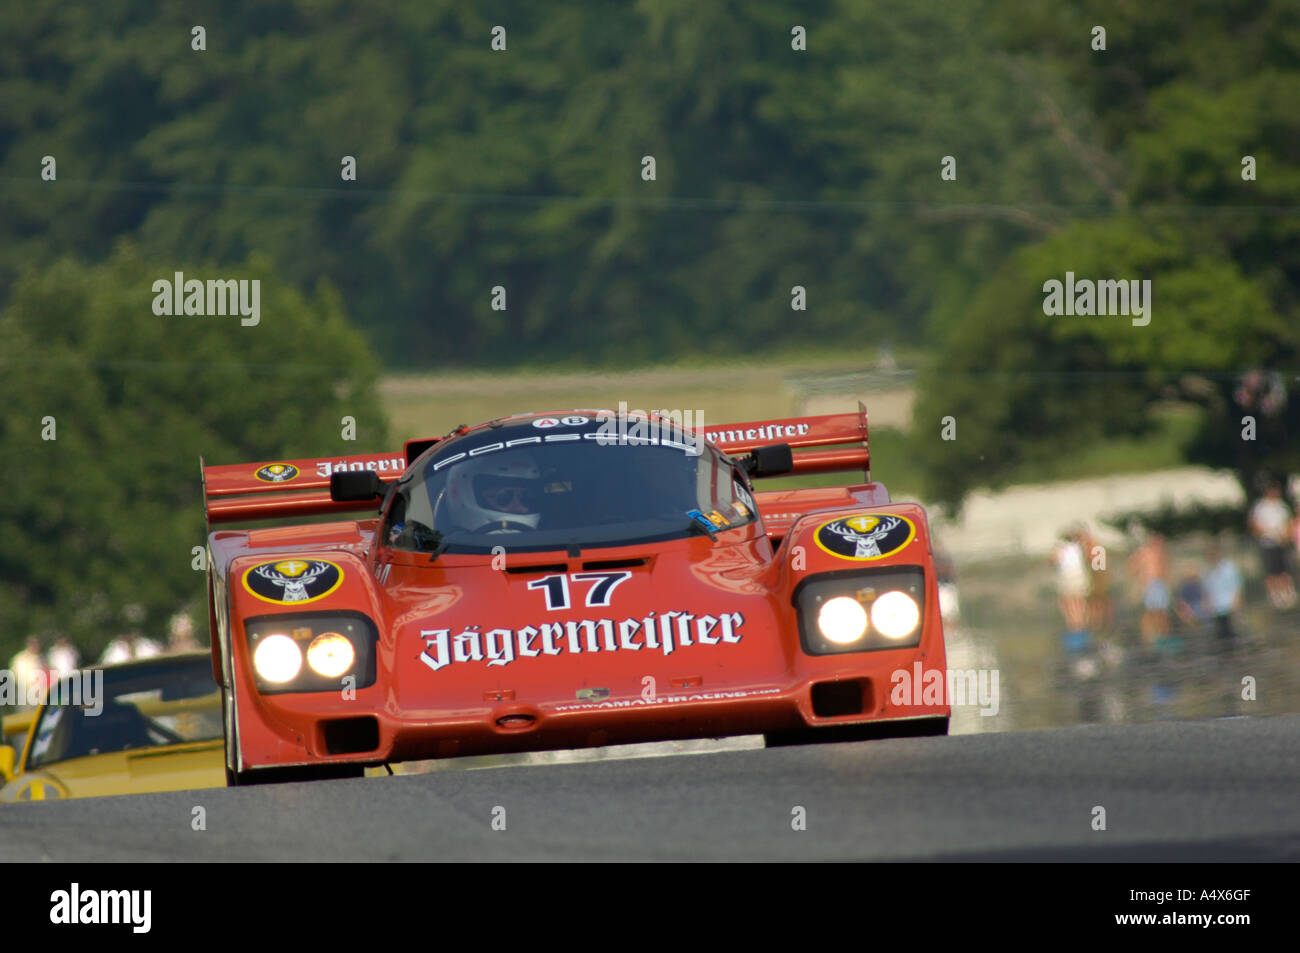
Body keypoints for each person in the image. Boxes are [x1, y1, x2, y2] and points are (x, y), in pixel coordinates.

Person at [445, 455, 543, 532]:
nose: (519, 507)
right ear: (466, 496)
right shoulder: (448, 552)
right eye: (503, 497)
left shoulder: (552, 539)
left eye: (526, 498)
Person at [1249, 482, 1295, 609]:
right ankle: (1275, 594)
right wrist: (1269, 533)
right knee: (1271, 570)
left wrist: (1285, 536)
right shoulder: (1260, 507)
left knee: (1284, 568)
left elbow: (1288, 523)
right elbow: (1255, 524)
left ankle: (1288, 593)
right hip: (1268, 542)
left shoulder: (1281, 507)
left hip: (1281, 542)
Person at [1126, 527, 1170, 646]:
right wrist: (1140, 578)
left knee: (1162, 612)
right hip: (1151, 584)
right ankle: (1149, 637)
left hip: (1161, 584)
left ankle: (1163, 636)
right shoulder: (1146, 551)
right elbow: (1132, 564)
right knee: (1151, 612)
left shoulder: (1161, 551)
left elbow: (1165, 569)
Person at [1202, 541, 1244, 645]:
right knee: (1219, 636)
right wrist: (1207, 604)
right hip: (1216, 608)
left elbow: (1237, 586)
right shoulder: (1207, 570)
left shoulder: (1229, 568)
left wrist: (1236, 602)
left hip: (1229, 606)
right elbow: (1206, 589)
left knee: (1232, 634)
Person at [9, 636, 48, 707]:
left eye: (37, 643)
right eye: (33, 644)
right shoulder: (20, 658)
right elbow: (15, 675)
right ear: (28, 645)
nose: (36, 646)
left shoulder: (42, 659)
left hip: (41, 694)